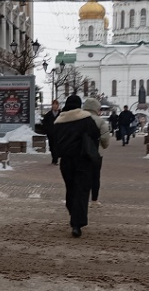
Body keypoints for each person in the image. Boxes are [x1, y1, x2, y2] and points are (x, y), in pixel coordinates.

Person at [52, 95, 100, 238]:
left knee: (71, 189)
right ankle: (76, 224)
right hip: (83, 159)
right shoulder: (85, 118)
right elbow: (95, 134)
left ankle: (74, 213)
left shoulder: (59, 121)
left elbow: (54, 141)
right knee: (82, 190)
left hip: (66, 161)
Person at [82, 98, 111, 207]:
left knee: (82, 175)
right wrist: (103, 146)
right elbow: (105, 137)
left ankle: (82, 198)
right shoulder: (100, 121)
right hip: (96, 153)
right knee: (95, 176)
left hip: (82, 152)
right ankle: (94, 199)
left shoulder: (80, 119)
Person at [42, 99, 61, 165]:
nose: (55, 106)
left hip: (59, 133)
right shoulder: (48, 115)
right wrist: (47, 130)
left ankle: (55, 159)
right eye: (54, 104)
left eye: (56, 104)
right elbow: (44, 123)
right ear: (52, 105)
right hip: (51, 133)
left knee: (57, 146)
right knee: (52, 146)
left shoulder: (61, 114)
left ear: (58, 106)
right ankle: (54, 158)